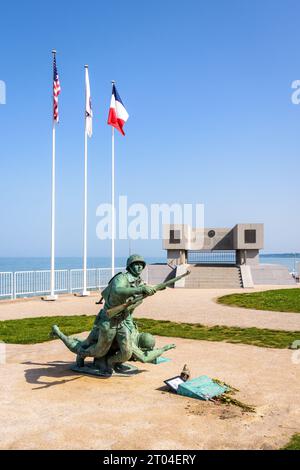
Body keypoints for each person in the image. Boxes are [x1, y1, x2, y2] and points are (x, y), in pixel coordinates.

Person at [53, 254, 159, 373]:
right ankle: (81, 354)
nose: (139, 267)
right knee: (99, 351)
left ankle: (111, 362)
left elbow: (135, 299)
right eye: (136, 264)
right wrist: (140, 290)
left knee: (127, 352)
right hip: (109, 321)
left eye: (141, 265)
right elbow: (117, 290)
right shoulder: (121, 278)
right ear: (129, 266)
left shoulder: (137, 281)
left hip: (122, 321)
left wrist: (148, 290)